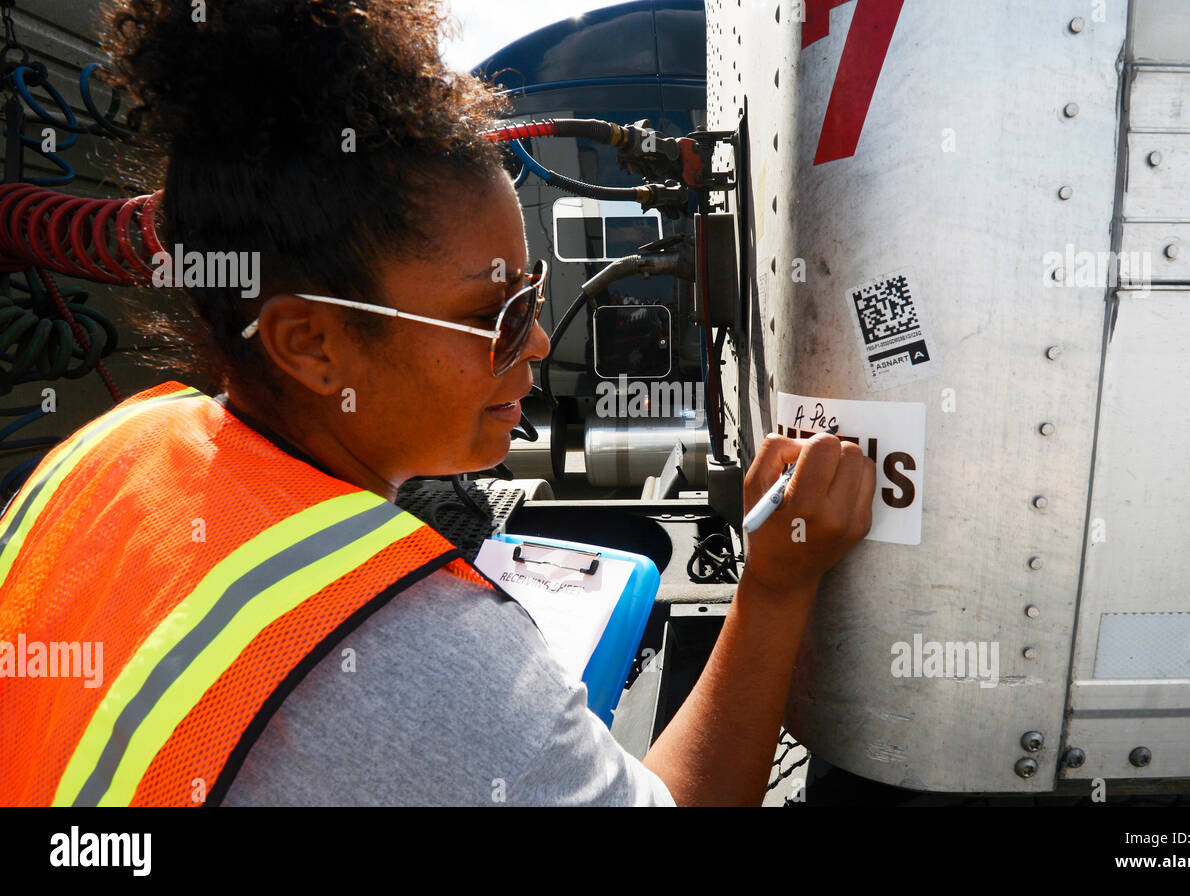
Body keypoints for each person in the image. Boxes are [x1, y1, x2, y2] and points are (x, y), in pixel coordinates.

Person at [0, 0, 875, 807]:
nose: (536, 342)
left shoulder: (106, 451)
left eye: (531, 295)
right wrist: (777, 579)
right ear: (312, 344)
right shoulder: (432, 668)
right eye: (495, 314)